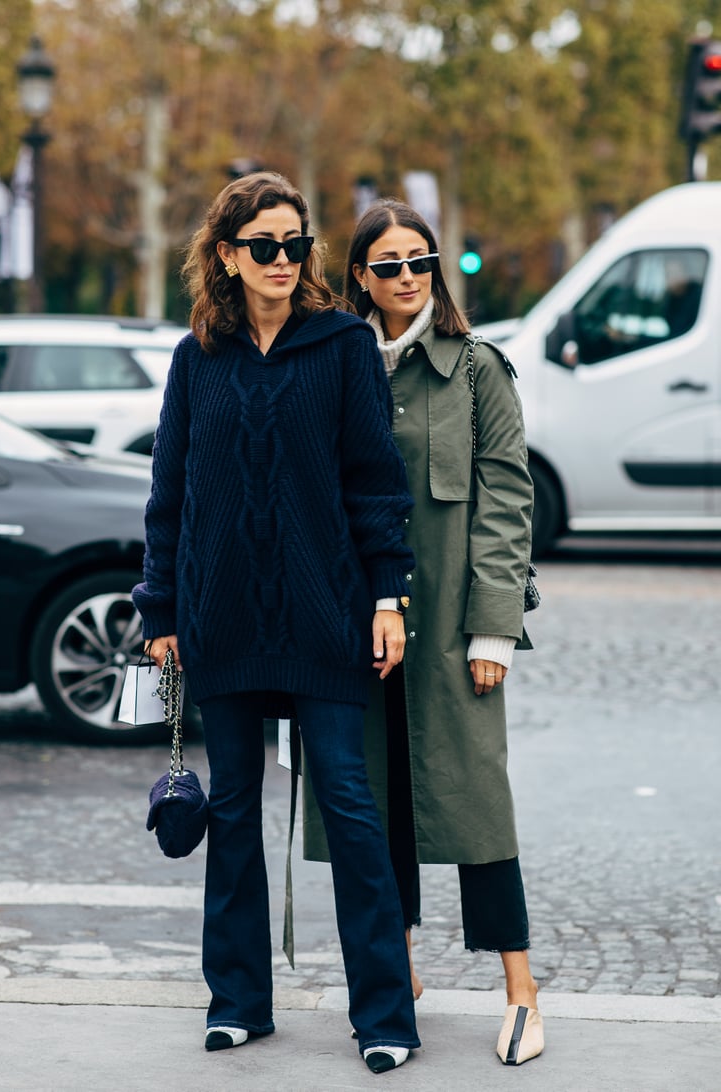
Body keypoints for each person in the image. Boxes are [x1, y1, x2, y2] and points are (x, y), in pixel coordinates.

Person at [132, 173, 420, 1075]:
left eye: (296, 244)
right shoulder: (196, 357)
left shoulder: (340, 348)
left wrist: (387, 597)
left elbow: (375, 483)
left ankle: (383, 1015)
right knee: (232, 809)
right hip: (220, 616)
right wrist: (160, 606)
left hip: (325, 613)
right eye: (265, 246)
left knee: (348, 803)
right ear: (226, 255)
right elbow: (168, 492)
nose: (284, 260)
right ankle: (237, 1002)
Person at [311, 197, 543, 1066]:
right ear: (360, 277)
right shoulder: (337, 366)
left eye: (419, 261)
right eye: (388, 264)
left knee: (479, 808)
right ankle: (396, 968)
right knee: (374, 809)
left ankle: (521, 989)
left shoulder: (477, 368)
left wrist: (493, 632)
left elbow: (506, 504)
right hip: (355, 628)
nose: (407, 278)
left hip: (449, 631)